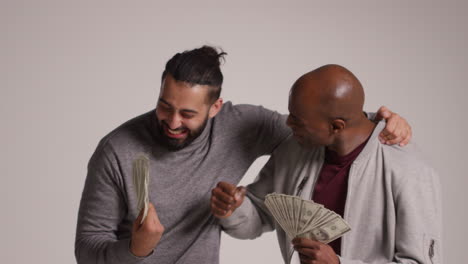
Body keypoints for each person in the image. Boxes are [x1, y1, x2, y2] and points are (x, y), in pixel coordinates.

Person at [75, 46, 411, 264]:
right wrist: (137, 248)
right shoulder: (116, 150)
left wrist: (378, 120)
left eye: (188, 114)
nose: (173, 122)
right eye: (165, 106)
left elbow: (319, 126)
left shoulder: (242, 126)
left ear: (216, 107)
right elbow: (87, 249)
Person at [211, 65, 441, 264]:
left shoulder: (410, 171)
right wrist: (234, 209)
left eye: (297, 120)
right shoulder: (293, 149)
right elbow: (260, 216)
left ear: (337, 126)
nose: (287, 123)